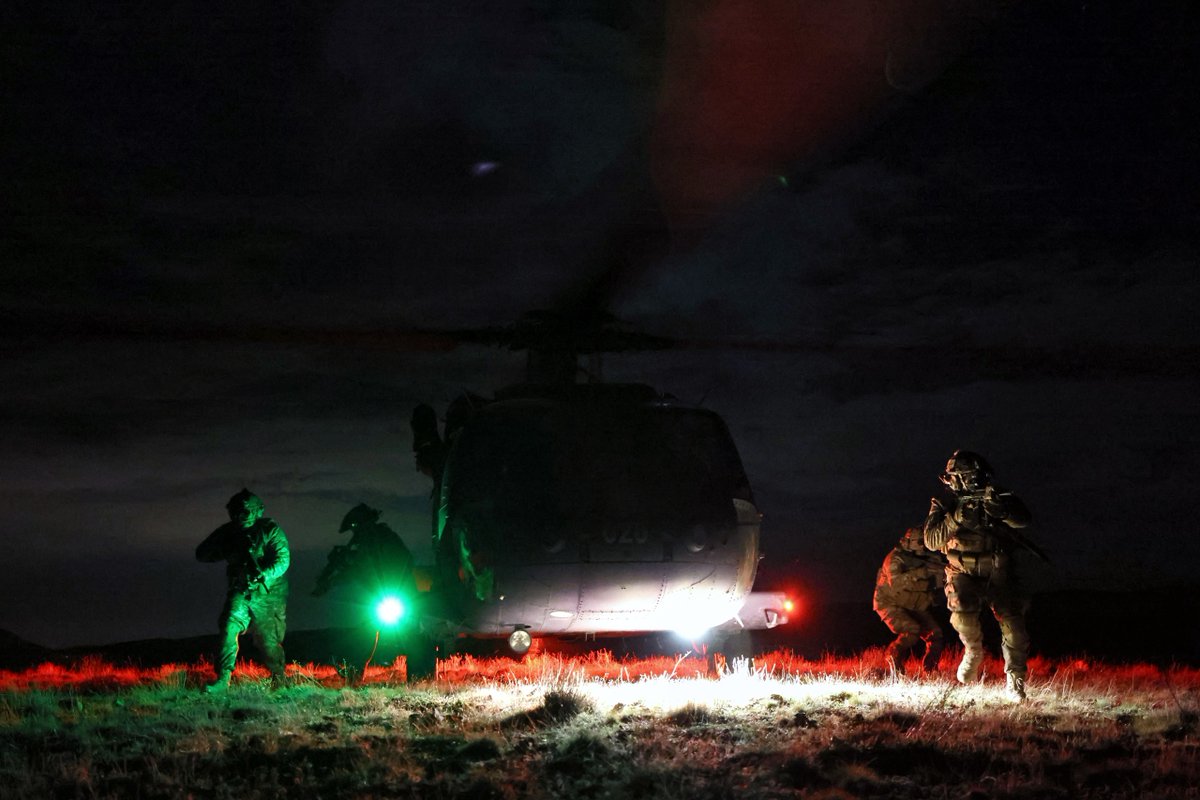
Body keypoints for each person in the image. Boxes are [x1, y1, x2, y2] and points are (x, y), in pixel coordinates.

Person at [923, 450, 1034, 701]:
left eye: (965, 476)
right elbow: (931, 540)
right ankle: (973, 651)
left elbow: (1024, 520)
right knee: (962, 614)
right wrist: (954, 519)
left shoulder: (997, 495)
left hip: (998, 571)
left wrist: (1002, 511)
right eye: (957, 476)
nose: (961, 481)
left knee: (1015, 628)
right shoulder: (944, 503)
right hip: (962, 571)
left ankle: (1015, 682)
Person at [312, 503, 423, 682]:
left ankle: (419, 678)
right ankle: (355, 676)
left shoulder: (384, 538)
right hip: (382, 596)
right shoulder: (364, 544)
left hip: (399, 594)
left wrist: (344, 567)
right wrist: (333, 578)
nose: (355, 533)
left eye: (356, 527)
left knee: (410, 636)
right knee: (366, 635)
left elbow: (403, 562)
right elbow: (357, 572)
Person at [195, 488, 290, 692]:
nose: (241, 516)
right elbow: (202, 554)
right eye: (236, 512)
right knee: (228, 627)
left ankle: (279, 679)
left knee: (267, 640)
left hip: (268, 594)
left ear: (258, 511)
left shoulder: (270, 530)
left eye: (246, 511)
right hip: (241, 590)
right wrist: (228, 550)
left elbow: (283, 560)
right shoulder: (228, 532)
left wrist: (264, 573)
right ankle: (223, 679)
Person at [873, 526, 947, 673]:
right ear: (907, 541)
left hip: (914, 603)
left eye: (924, 542)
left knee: (936, 635)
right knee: (912, 630)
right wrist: (921, 573)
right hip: (890, 603)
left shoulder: (929, 558)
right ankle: (893, 661)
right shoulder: (895, 559)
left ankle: (930, 670)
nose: (922, 546)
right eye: (919, 542)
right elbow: (896, 584)